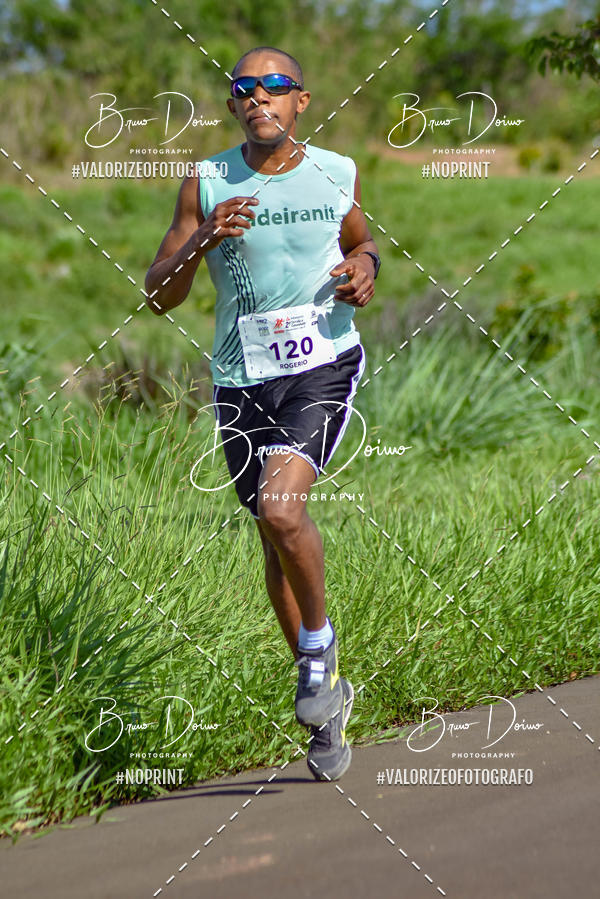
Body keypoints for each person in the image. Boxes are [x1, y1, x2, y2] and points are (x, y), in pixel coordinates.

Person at [145, 46, 380, 781]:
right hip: (241, 377)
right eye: (244, 88)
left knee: (283, 510)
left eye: (274, 86)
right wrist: (203, 238)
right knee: (273, 539)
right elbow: (158, 295)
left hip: (322, 364)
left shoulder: (335, 171)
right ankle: (325, 698)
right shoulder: (206, 181)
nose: (259, 97)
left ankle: (317, 648)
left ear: (300, 101)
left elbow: (362, 240)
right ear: (233, 106)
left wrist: (366, 266)